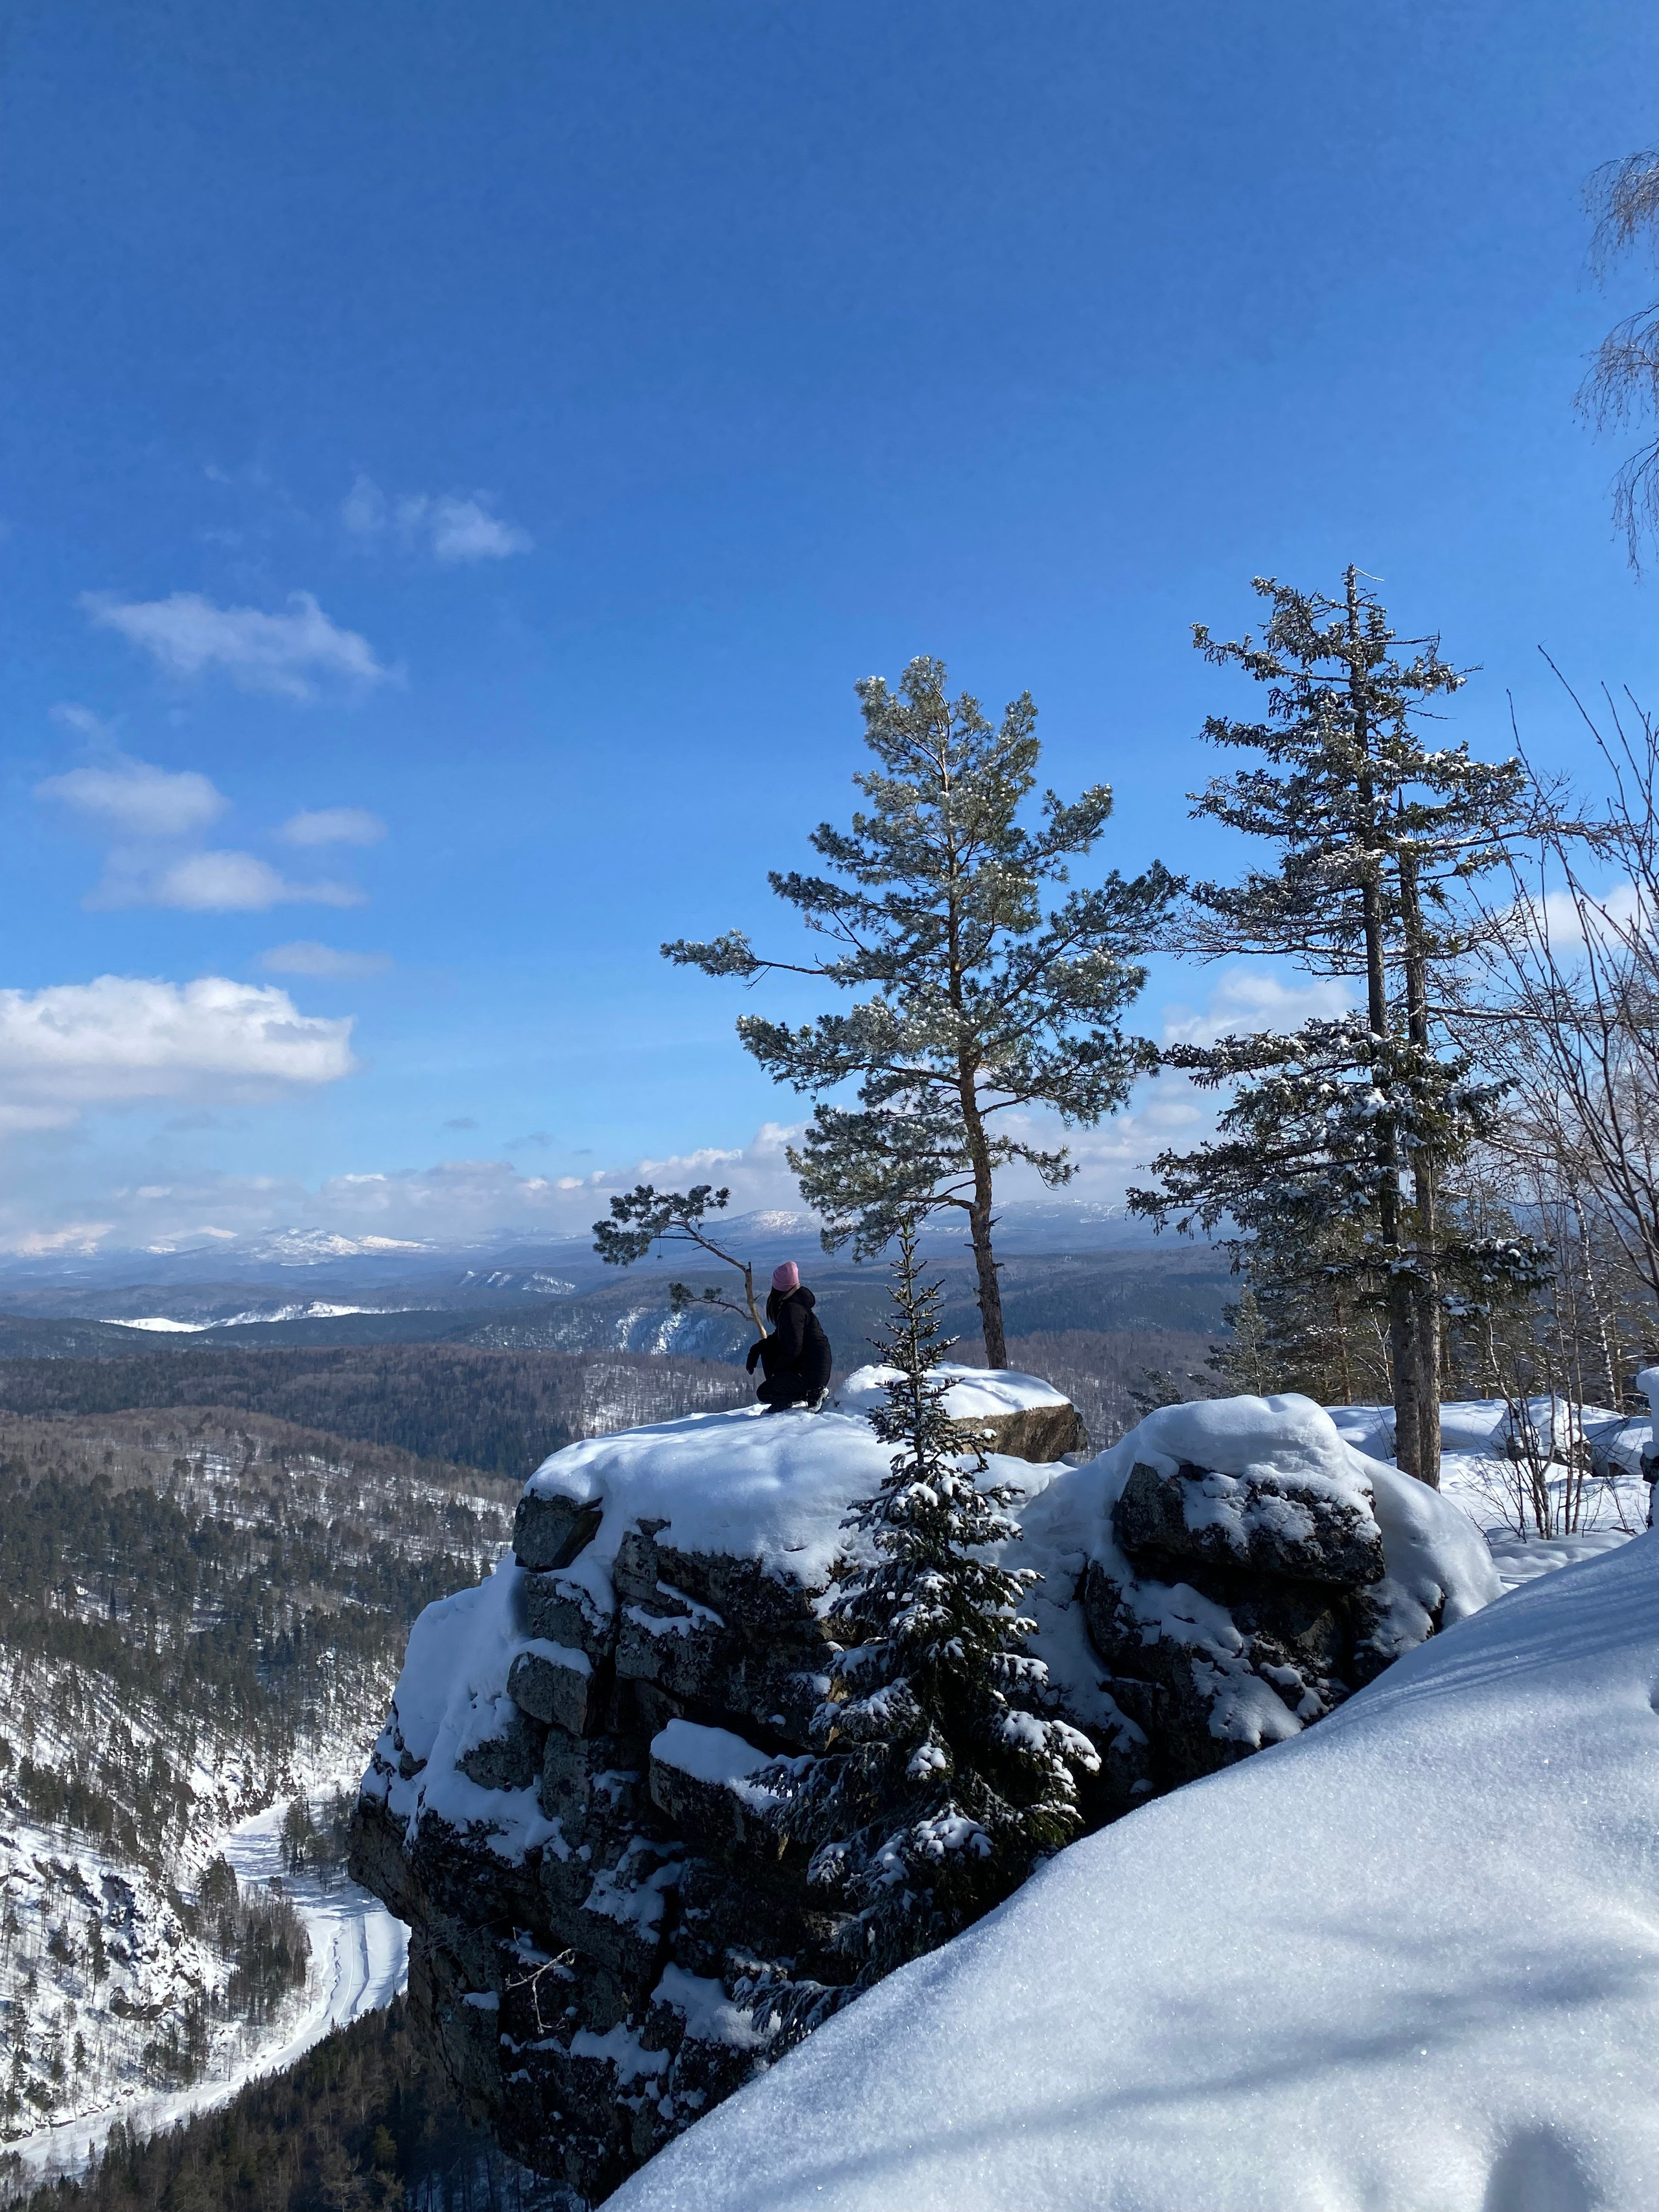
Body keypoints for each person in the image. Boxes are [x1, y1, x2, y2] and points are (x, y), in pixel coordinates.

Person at [745, 1261, 832, 1412]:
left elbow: (793, 1348)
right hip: (813, 1367)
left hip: (812, 1372)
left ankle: (811, 1393)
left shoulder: (792, 1310)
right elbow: (783, 1336)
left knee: (765, 1393)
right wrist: (759, 1347)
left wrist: (778, 1373)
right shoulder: (794, 1304)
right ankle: (798, 1393)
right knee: (768, 1349)